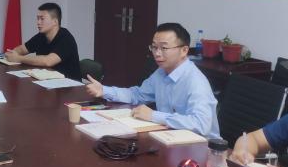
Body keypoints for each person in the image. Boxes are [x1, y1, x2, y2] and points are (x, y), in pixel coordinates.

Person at [85, 22, 220, 138]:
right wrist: (104, 90)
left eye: (164, 48)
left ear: (184, 50)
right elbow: (138, 95)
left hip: (202, 147)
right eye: (154, 47)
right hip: (170, 137)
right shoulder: (161, 72)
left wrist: (153, 116)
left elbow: (201, 125)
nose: (157, 53)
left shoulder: (196, 82)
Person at [4, 2, 81, 80]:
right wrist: (13, 54)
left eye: (42, 19)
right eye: (38, 18)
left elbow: (48, 61)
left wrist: (18, 58)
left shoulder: (66, 38)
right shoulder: (41, 36)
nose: (38, 22)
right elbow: (21, 49)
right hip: (46, 81)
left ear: (55, 22)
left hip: (69, 84)